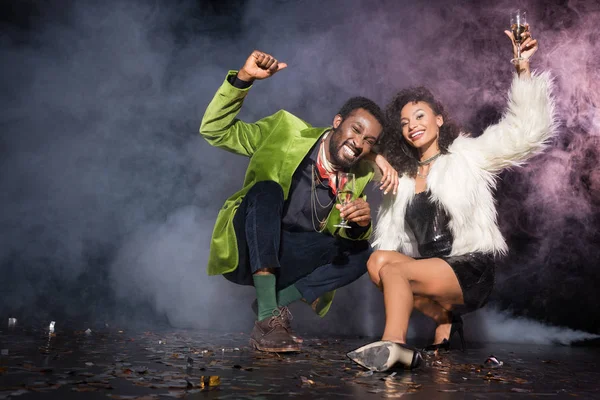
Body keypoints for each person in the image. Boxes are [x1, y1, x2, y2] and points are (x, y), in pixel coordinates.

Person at [347, 28, 557, 371]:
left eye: (420, 116)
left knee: (398, 273)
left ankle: (395, 347)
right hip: (431, 272)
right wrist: (377, 158)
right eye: (404, 122)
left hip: (470, 268)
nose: (412, 125)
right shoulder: (400, 177)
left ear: (438, 119)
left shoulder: (467, 154)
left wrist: (522, 69)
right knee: (378, 263)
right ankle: (445, 319)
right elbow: (356, 148)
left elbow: (526, 133)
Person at [200, 50, 398, 353]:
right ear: (337, 122)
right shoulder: (284, 132)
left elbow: (338, 236)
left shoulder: (357, 176)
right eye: (356, 130)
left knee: (363, 251)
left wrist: (360, 225)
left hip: (289, 262)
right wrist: (244, 79)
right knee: (266, 189)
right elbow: (215, 130)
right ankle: (270, 316)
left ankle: (270, 308)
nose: (359, 143)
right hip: (247, 247)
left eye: (369, 142)